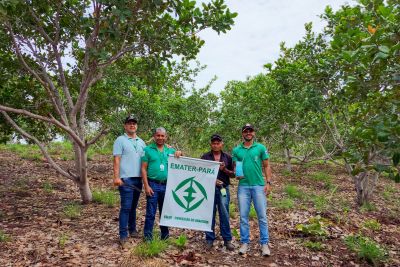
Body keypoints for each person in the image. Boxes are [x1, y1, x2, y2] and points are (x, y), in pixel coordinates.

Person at [232, 123, 272, 256]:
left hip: (258, 186)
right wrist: (236, 173)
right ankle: (244, 243)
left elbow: (266, 166)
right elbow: (235, 167)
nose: (248, 133)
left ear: (253, 133)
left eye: (250, 131)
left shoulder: (260, 148)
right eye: (245, 131)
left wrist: (268, 182)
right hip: (243, 186)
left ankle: (264, 244)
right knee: (243, 216)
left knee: (262, 216)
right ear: (242, 133)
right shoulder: (237, 150)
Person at [141, 127, 182, 241]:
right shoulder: (147, 150)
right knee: (151, 213)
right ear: (154, 136)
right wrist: (146, 186)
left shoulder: (170, 150)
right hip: (153, 184)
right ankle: (148, 237)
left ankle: (165, 236)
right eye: (158, 135)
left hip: (167, 185)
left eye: (162, 136)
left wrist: (180, 152)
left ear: (166, 137)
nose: (160, 138)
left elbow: (180, 159)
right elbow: (143, 169)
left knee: (165, 212)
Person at [113, 115, 146, 248]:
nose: (132, 125)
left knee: (133, 207)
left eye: (134, 123)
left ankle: (132, 230)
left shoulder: (141, 142)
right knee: (126, 207)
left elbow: (148, 156)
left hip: (138, 179)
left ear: (136, 126)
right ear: (125, 126)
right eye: (129, 123)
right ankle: (123, 235)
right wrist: (116, 177)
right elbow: (116, 159)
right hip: (126, 179)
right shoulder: (120, 140)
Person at [201, 134, 235, 251]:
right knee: (209, 214)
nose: (216, 145)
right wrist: (212, 180)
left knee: (224, 213)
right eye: (214, 143)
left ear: (222, 144)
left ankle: (227, 240)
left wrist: (224, 169)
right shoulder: (205, 157)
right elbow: (200, 173)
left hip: (223, 189)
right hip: (209, 189)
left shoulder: (228, 158)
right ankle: (209, 239)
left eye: (218, 143)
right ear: (211, 144)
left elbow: (233, 174)